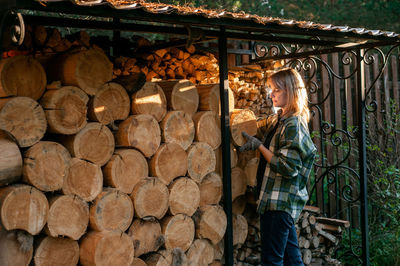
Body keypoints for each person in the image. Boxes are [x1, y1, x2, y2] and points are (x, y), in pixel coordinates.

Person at [239, 68, 317, 266]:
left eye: (277, 90)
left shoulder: (293, 124)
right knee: (292, 260)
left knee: (272, 261)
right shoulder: (278, 119)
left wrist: (259, 146)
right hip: (275, 200)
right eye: (271, 89)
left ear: (290, 92)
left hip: (280, 202)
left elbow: (288, 167)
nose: (271, 94)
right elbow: (256, 125)